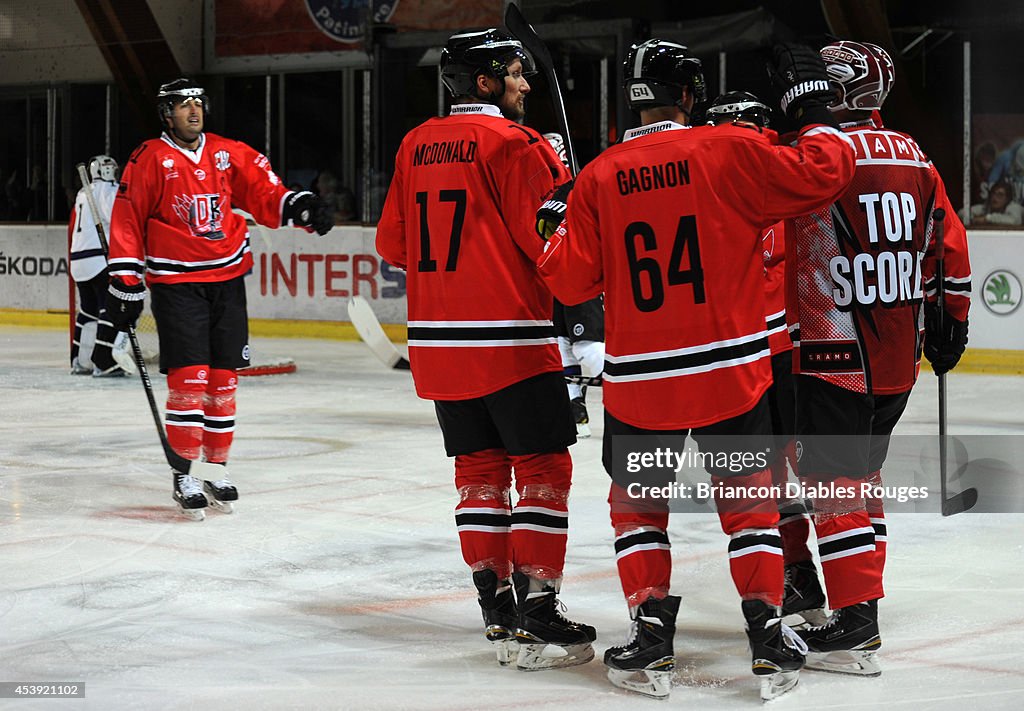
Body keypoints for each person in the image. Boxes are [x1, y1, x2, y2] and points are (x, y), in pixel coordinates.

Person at [534, 40, 856, 700]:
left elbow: (569, 280)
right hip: (728, 374)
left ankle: (651, 633)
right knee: (749, 511)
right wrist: (815, 110)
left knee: (639, 510)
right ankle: (768, 633)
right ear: (688, 94)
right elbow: (827, 172)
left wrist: (554, 223)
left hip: (641, 385)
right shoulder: (728, 149)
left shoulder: (600, 174)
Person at [375, 29, 596, 672]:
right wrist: (567, 198)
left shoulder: (416, 143)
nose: (526, 84)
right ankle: (538, 610)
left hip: (438, 346)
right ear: (485, 81)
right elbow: (550, 248)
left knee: (478, 474)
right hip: (511, 342)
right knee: (543, 471)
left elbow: (393, 246)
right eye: (515, 74)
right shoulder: (516, 144)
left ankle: (496, 606)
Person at [781, 40, 972, 676]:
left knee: (829, 482)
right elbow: (949, 250)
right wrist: (953, 324)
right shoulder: (917, 157)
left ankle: (857, 616)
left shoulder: (820, 154)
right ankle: (851, 595)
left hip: (832, 347)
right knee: (863, 480)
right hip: (898, 356)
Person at [105, 78, 332, 520]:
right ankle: (184, 473)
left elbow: (265, 193)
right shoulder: (150, 157)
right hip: (177, 286)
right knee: (190, 382)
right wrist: (125, 279)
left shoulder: (228, 152)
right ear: (166, 113)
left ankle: (217, 467)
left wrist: (301, 208)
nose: (193, 112)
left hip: (228, 279)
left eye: (197, 104)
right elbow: (127, 219)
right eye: (182, 105)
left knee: (224, 383)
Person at [705, 90, 827, 627]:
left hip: (779, 356)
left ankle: (824, 580)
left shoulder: (772, 175)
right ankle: (801, 573)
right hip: (757, 355)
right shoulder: (738, 176)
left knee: (801, 474)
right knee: (775, 476)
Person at [543, 132, 606, 439]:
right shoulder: (567, 188)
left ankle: (627, 396)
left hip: (577, 274)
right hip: (556, 275)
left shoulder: (577, 188)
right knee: (562, 341)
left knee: (585, 344)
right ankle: (574, 408)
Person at [69, 154, 133, 377]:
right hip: (98, 259)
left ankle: (80, 360)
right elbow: (115, 217)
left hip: (79, 261)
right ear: (107, 171)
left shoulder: (82, 193)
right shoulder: (107, 190)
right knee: (110, 307)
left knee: (88, 309)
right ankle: (103, 362)